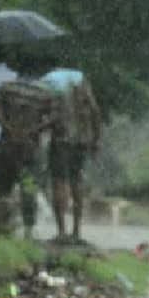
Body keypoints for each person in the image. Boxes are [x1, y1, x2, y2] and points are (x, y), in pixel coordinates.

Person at [0, 78, 56, 239]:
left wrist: (8, 126)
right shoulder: (44, 93)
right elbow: (53, 118)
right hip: (30, 147)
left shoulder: (6, 87)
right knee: (29, 186)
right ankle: (28, 227)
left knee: (4, 186)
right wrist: (34, 129)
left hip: (8, 143)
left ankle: (2, 223)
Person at [48, 76, 103, 243]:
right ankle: (77, 231)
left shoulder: (57, 93)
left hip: (61, 143)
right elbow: (97, 117)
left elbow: (50, 119)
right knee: (76, 184)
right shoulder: (86, 95)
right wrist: (95, 142)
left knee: (59, 183)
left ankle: (61, 231)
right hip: (80, 144)